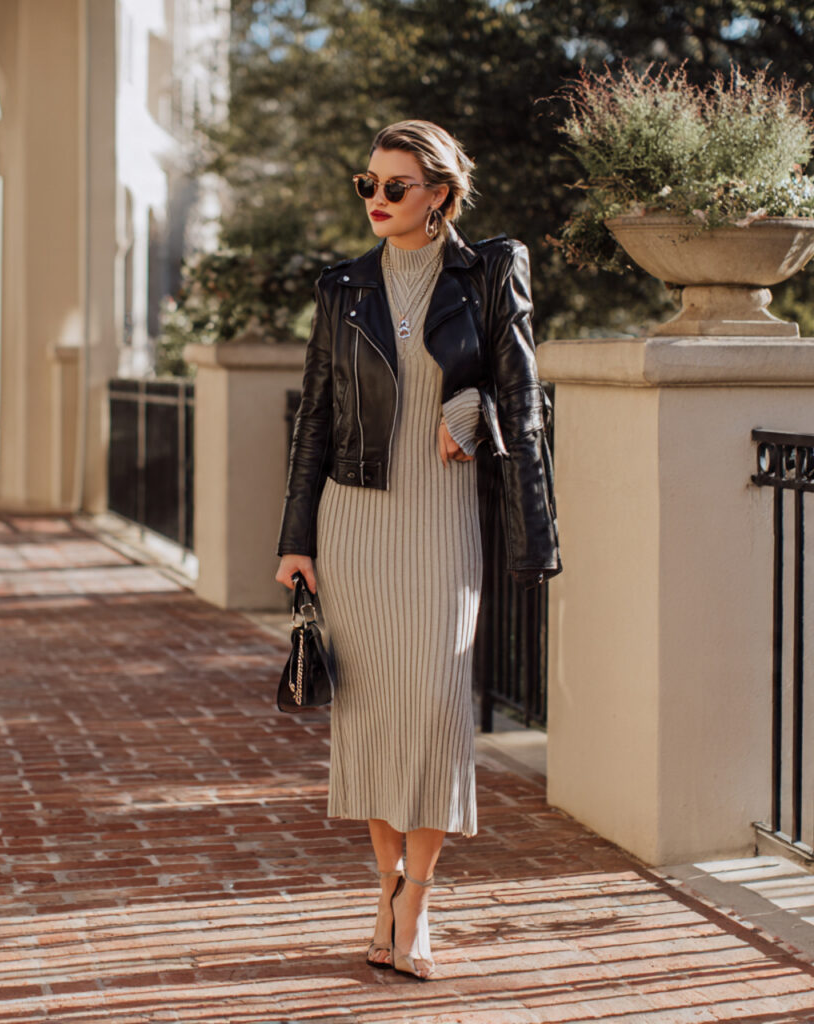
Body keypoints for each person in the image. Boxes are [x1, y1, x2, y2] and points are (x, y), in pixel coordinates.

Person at [275, 119, 560, 981]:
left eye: (394, 187)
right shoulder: (343, 287)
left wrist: (472, 414)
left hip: (440, 523)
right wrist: (295, 538)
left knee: (434, 710)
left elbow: (518, 388)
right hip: (354, 520)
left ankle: (419, 899)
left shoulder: (486, 273)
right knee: (368, 718)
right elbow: (317, 416)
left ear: (439, 193)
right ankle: (382, 888)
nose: (376, 200)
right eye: (366, 184)